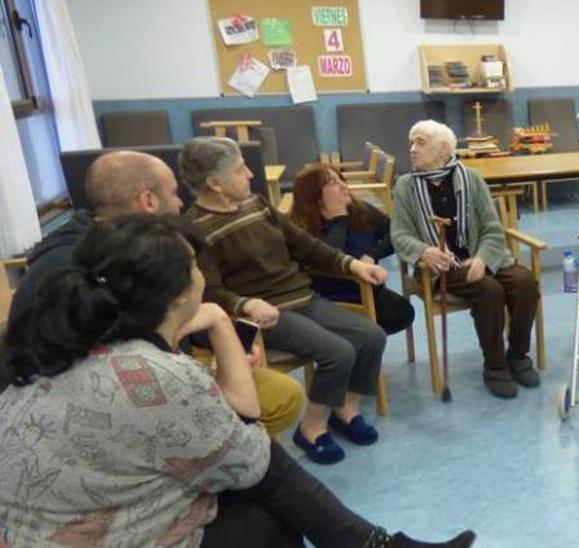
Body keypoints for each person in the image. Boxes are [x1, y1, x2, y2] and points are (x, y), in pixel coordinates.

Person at [0, 215, 474, 547]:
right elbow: (250, 453)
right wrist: (224, 321)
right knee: (264, 513)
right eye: (192, 265)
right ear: (176, 292)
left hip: (36, 528)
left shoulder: (72, 338)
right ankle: (374, 545)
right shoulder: (156, 375)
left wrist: (215, 321)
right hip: (95, 531)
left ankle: (374, 545)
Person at [4, 150, 305, 439]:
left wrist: (218, 343)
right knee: (262, 409)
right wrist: (203, 369)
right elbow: (117, 362)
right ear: (148, 201)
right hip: (90, 405)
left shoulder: (120, 244)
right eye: (175, 194)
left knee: (281, 394)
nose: (179, 204)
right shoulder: (78, 266)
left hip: (155, 365)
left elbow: (157, 318)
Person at [181, 137, 389, 465]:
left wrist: (353, 264)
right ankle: (311, 429)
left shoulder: (258, 204)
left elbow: (305, 245)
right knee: (338, 352)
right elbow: (209, 291)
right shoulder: (195, 228)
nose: (249, 174)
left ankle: (345, 411)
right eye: (239, 170)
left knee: (371, 336)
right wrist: (244, 304)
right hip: (266, 312)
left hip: (303, 296)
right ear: (214, 183)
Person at [390, 120, 540, 399]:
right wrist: (424, 251)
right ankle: (495, 366)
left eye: (420, 143)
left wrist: (483, 257)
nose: (412, 149)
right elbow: (399, 234)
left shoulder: (471, 179)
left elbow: (492, 228)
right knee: (489, 290)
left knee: (524, 282)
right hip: (441, 268)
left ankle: (517, 356)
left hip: (482, 256)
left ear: (444, 149)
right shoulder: (405, 187)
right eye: (411, 142)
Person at [288, 163, 416, 335]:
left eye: (341, 179)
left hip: (367, 291)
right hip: (327, 298)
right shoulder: (300, 227)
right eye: (333, 183)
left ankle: (361, 344)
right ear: (316, 195)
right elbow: (327, 258)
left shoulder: (360, 210)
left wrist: (372, 254)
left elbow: (395, 234)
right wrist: (339, 219)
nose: (343, 185)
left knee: (402, 312)